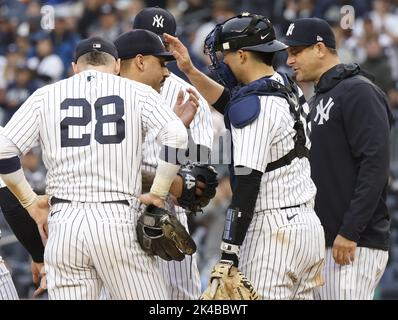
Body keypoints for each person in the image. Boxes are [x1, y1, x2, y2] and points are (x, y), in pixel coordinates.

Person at [0, 36, 190, 300]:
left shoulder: (45, 95)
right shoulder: (137, 91)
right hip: (117, 218)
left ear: (75, 67)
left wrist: (31, 202)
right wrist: (158, 193)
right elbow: (177, 137)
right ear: (115, 66)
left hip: (64, 224)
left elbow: (4, 151)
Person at [164, 12, 325, 299]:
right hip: (308, 229)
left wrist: (229, 252)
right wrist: (189, 70)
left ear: (241, 55)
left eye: (224, 56)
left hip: (273, 234)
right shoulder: (285, 85)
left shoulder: (256, 103)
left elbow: (248, 184)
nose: (221, 62)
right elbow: (232, 104)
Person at [284, 17, 392, 300]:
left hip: (351, 243)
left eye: (296, 52)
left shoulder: (358, 91)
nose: (290, 60)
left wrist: (350, 231)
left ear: (320, 49)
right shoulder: (316, 100)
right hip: (322, 242)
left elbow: (375, 165)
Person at [131, 6, 214, 300]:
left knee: (179, 298)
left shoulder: (190, 96)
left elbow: (201, 174)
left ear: (173, 46)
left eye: (163, 44)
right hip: (118, 209)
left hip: (168, 212)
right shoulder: (111, 89)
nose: (156, 49)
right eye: (149, 40)